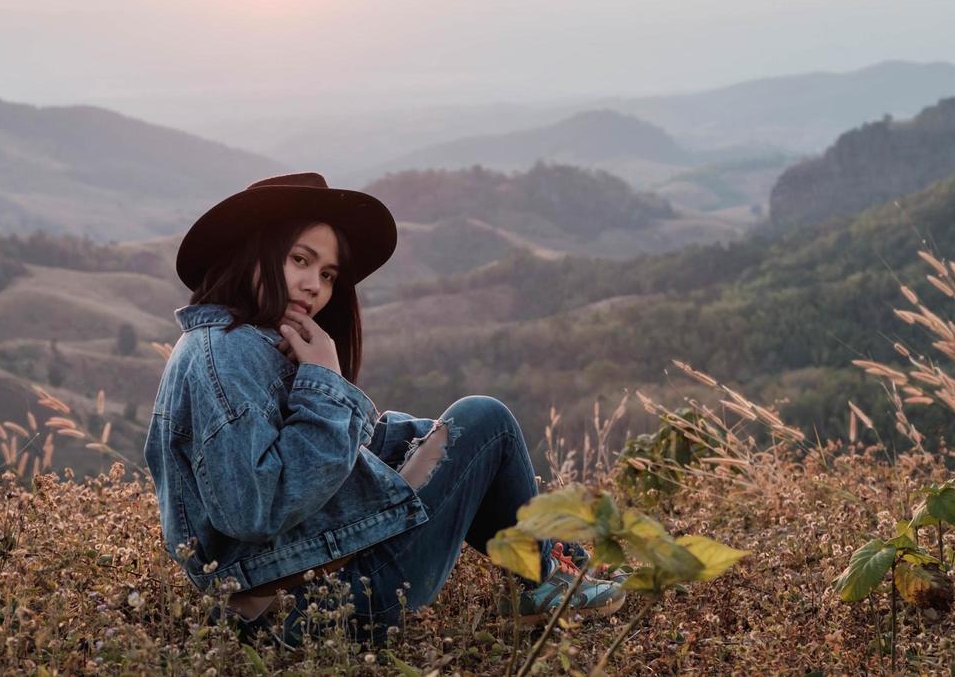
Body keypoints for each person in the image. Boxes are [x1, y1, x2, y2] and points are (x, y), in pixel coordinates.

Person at [144, 172, 624, 644]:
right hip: (312, 607)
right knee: (488, 421)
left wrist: (416, 435)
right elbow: (253, 510)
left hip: (305, 592)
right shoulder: (225, 355)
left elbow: (331, 461)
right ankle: (555, 581)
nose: (315, 285)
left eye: (328, 274)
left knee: (463, 432)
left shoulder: (241, 344)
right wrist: (324, 382)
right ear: (251, 253)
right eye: (299, 259)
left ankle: (559, 565)